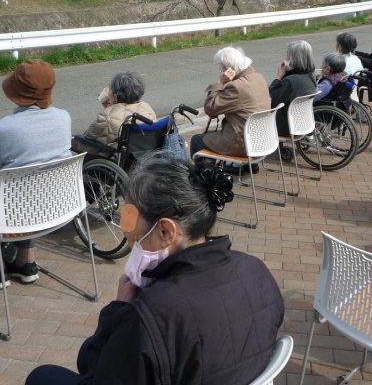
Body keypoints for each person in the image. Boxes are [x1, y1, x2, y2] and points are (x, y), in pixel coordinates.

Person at [25, 155, 285, 385]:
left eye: (128, 219)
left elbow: (93, 367)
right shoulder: (256, 271)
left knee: (41, 376)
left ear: (165, 231)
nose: (127, 237)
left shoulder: (152, 315)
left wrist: (119, 310)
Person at [0, 60, 72, 289]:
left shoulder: (4, 129)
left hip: (16, 213)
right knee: (30, 193)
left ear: (16, 93)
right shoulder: (64, 118)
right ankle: (26, 264)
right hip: (58, 208)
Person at [190, 46, 270, 158]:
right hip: (263, 139)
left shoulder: (237, 87)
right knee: (216, 134)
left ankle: (204, 173)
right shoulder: (259, 77)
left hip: (244, 143)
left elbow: (210, 108)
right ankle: (246, 167)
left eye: (221, 69)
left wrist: (220, 82)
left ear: (228, 69)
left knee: (197, 140)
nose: (220, 72)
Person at [78, 72, 156, 147]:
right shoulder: (147, 108)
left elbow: (84, 143)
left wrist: (109, 110)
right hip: (141, 154)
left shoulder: (106, 119)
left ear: (115, 96)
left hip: (113, 157)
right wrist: (110, 109)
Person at [269, 40, 317, 136]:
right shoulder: (311, 76)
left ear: (293, 58)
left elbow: (271, 100)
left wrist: (278, 77)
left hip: (286, 127)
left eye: (287, 54)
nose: (285, 57)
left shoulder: (290, 81)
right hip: (305, 123)